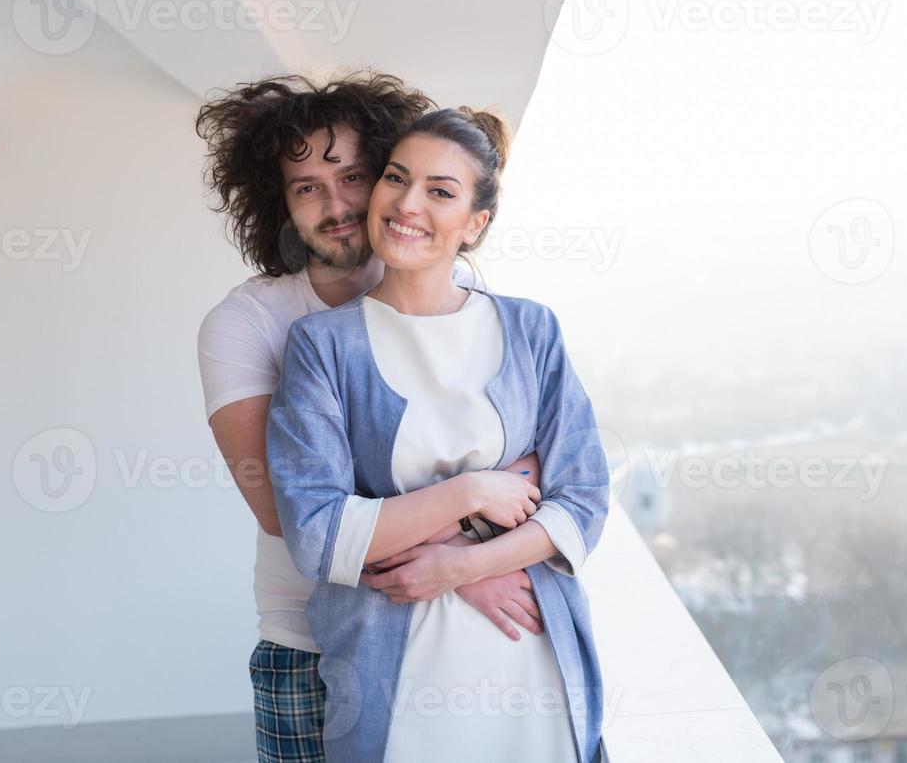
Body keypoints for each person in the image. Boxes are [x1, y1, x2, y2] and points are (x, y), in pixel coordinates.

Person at [195, 74, 547, 763]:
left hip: (454, 636)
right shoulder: (247, 324)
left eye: (355, 176)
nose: (336, 204)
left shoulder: (470, 298)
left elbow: (536, 460)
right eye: (306, 187)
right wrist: (468, 552)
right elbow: (284, 510)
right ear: (279, 206)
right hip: (310, 644)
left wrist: (454, 563)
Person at [267, 106, 609, 762]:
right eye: (397, 179)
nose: (407, 204)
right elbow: (316, 532)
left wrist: (460, 566)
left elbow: (584, 495)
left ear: (475, 224)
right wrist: (470, 492)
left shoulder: (531, 330)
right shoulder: (322, 347)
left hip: (529, 666)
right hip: (393, 685)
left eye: (441, 191)